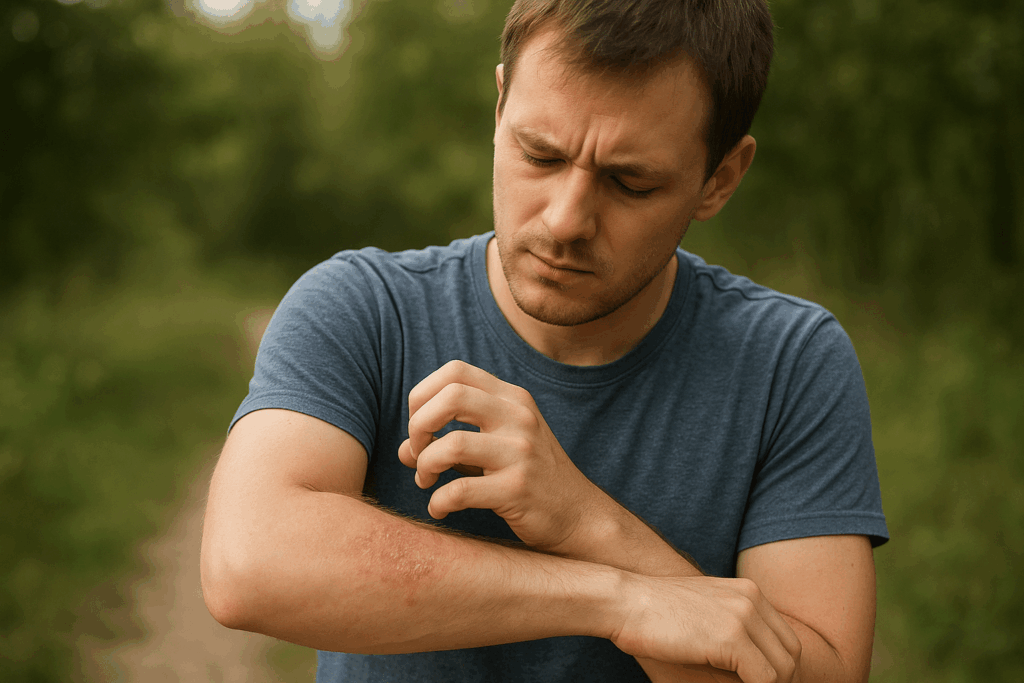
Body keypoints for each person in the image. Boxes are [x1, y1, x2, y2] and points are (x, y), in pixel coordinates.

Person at [201, 1, 888, 681]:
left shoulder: (789, 363)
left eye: (630, 182)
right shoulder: (365, 308)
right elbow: (246, 563)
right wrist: (618, 596)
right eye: (541, 154)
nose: (565, 221)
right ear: (499, 105)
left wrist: (587, 522)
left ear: (720, 178)